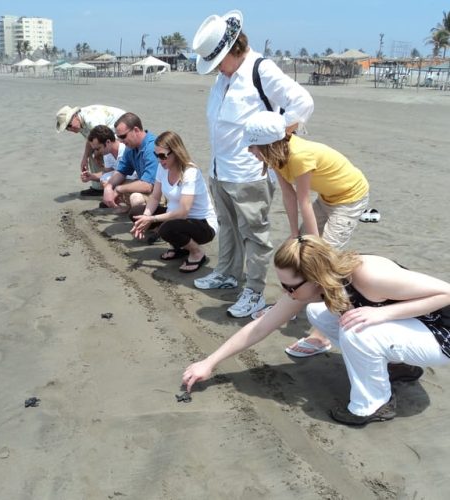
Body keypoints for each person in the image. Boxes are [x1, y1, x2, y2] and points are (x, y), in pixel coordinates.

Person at [182, 235, 450, 426]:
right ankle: (399, 367)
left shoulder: (368, 276)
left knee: (358, 331)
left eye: (291, 287)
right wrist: (209, 362)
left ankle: (374, 405)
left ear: (316, 276)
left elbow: (446, 293)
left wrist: (382, 313)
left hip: (442, 333)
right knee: (319, 312)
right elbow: (261, 326)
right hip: (415, 324)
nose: (287, 293)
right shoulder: (323, 284)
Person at [191, 10, 314, 318]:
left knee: (254, 236)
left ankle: (254, 292)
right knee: (228, 228)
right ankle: (227, 273)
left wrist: (274, 139)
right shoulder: (224, 77)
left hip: (249, 174)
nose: (217, 68)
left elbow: (303, 104)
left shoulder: (262, 69)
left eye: (218, 61)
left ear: (233, 48)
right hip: (220, 170)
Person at [244, 111, 370, 357]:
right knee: (296, 257)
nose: (250, 151)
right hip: (327, 197)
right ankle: (287, 309)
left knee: (324, 265)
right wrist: (295, 235)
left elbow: (303, 202)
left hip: (349, 198)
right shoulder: (276, 156)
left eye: (253, 146)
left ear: (268, 145)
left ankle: (320, 335)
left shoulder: (299, 156)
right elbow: (288, 195)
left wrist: (314, 248)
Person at [131, 131, 218, 273]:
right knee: (136, 213)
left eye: (162, 155)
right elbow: (154, 197)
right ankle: (180, 247)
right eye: (156, 155)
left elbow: (184, 211)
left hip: (202, 224)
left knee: (168, 227)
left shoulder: (190, 172)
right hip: (176, 218)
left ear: (175, 152)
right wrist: (145, 217)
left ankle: (197, 252)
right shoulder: (162, 167)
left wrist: (152, 218)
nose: (159, 160)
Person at [56, 104, 126, 197]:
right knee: (93, 153)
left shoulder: (91, 120)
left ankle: (113, 186)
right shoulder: (79, 123)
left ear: (75, 116)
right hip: (107, 135)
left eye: (69, 125)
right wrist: (85, 158)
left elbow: (102, 139)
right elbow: (91, 141)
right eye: (66, 128)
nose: (70, 129)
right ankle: (99, 188)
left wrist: (97, 154)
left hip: (123, 129)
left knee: (100, 154)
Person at [102, 112, 159, 218]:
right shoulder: (131, 147)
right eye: (118, 137)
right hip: (151, 188)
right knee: (111, 181)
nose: (121, 141)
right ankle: (130, 208)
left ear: (136, 130)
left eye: (123, 136)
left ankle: (152, 222)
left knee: (136, 198)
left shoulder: (152, 148)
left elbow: (147, 186)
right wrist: (109, 187)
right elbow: (121, 171)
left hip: (163, 193)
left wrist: (118, 189)